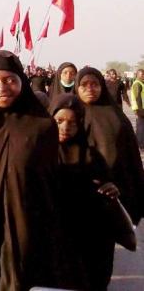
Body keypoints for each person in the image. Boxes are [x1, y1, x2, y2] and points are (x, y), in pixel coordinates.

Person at [0, 50, 73, 290]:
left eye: (10, 80)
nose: (2, 87)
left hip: (27, 223)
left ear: (22, 82)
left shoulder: (41, 127)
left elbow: (51, 180)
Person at [49, 94, 120, 290]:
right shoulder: (38, 153)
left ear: (81, 124)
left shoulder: (92, 156)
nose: (65, 127)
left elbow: (106, 189)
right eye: (59, 120)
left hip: (88, 241)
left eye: (72, 122)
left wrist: (111, 189)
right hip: (52, 241)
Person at [76, 67, 144, 220]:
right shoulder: (70, 115)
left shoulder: (116, 117)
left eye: (95, 84)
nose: (90, 88)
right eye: (84, 84)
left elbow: (131, 156)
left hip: (114, 191)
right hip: (78, 192)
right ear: (77, 87)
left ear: (102, 86)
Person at [131, 69, 144, 148]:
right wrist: (140, 110)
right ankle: (140, 144)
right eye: (142, 74)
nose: (143, 76)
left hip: (141, 108)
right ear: (137, 75)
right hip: (140, 109)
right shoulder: (137, 84)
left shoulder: (141, 83)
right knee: (141, 127)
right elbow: (137, 97)